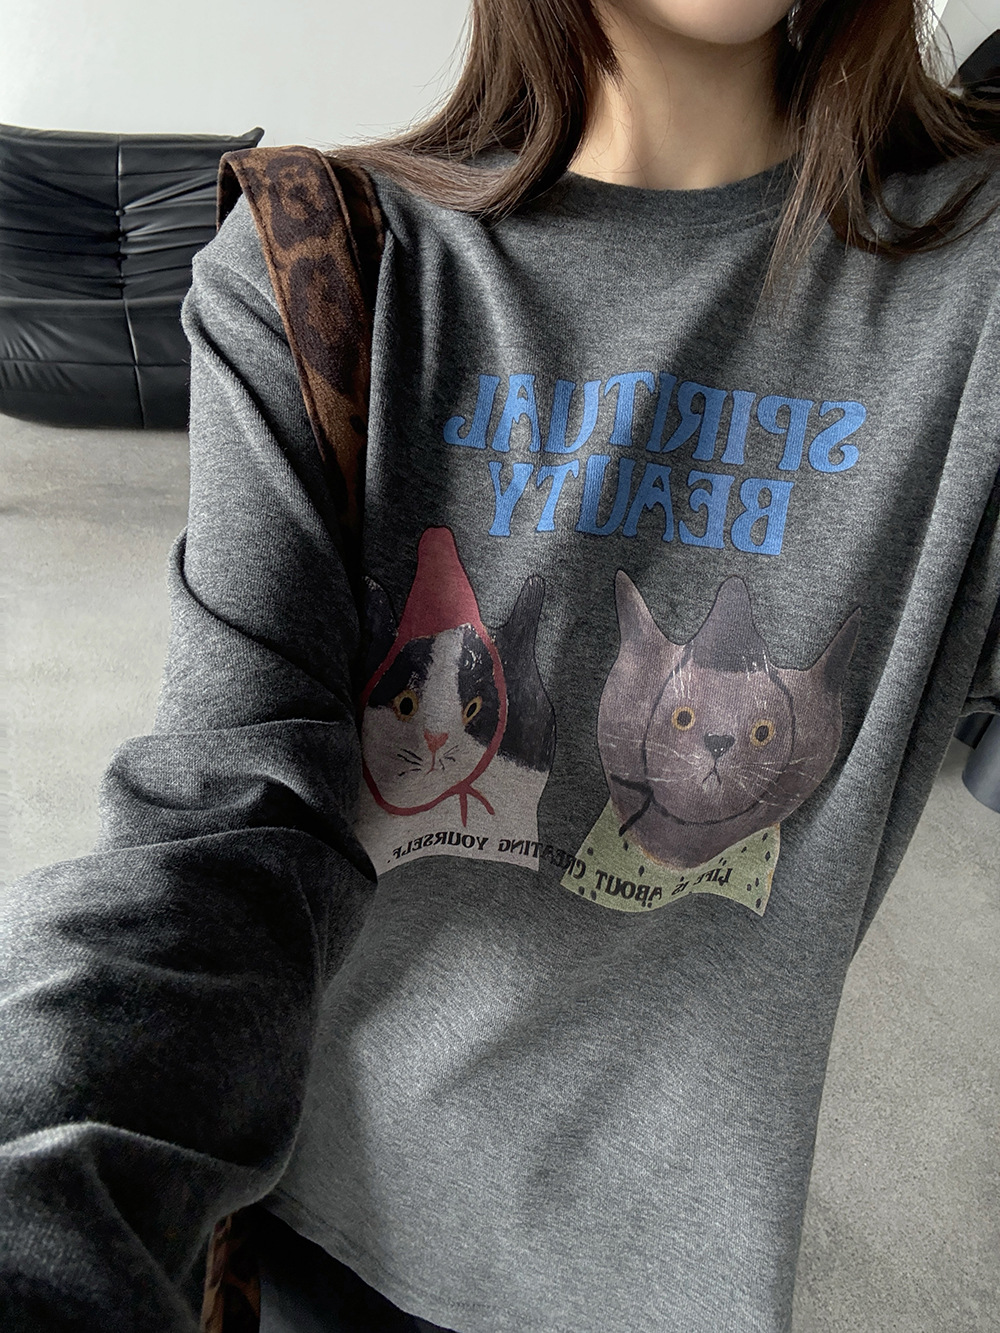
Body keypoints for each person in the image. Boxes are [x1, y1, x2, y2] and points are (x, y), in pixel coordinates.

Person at [2, 1, 999, 1330]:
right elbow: (223, 824)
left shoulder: (976, 286)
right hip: (319, 1209)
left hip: (672, 1273)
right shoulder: (321, 266)